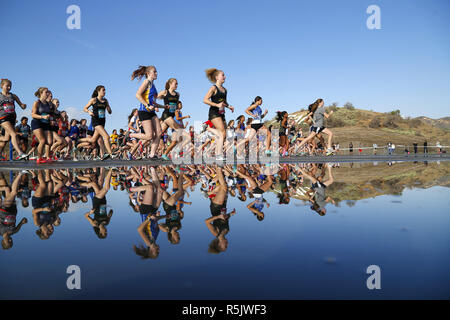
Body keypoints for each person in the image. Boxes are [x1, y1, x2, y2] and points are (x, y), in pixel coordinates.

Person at [130, 65, 165, 160]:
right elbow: (137, 95)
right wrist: (147, 105)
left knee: (159, 132)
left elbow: (153, 102)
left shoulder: (153, 85)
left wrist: (163, 106)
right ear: (149, 73)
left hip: (151, 112)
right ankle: (131, 135)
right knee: (149, 136)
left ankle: (152, 154)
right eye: (154, 71)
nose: (156, 73)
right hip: (144, 111)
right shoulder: (146, 82)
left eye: (156, 71)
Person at [203, 68, 234, 161]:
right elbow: (205, 100)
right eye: (223, 75)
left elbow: (224, 101)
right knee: (222, 133)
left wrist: (229, 106)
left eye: (224, 75)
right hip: (214, 113)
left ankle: (215, 152)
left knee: (225, 135)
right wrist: (216, 104)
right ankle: (218, 155)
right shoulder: (213, 88)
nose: (225, 77)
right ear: (217, 77)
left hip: (222, 113)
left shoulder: (225, 90)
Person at [78, 85, 113, 160]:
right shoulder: (93, 100)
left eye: (105, 90)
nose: (104, 92)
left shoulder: (105, 101)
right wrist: (89, 112)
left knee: (93, 140)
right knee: (106, 137)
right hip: (96, 121)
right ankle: (110, 154)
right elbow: (84, 108)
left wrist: (108, 108)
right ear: (98, 91)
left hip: (102, 121)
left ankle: (79, 142)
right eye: (103, 90)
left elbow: (110, 111)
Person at [0, 79, 28, 160]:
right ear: (2, 86)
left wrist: (23, 106)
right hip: (3, 117)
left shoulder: (13, 96)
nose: (9, 87)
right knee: (14, 134)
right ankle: (20, 153)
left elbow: (21, 105)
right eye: (7, 86)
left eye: (10, 86)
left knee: (6, 139)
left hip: (12, 118)